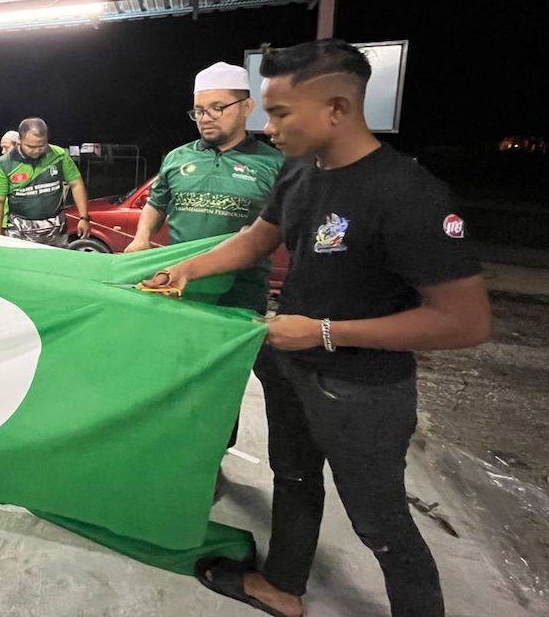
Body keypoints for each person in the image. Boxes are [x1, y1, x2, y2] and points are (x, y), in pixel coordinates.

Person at [144, 39, 491, 617]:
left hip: (362, 389)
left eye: (281, 113)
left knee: (378, 518)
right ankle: (284, 585)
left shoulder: (407, 193)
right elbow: (259, 238)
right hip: (294, 360)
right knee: (294, 477)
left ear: (336, 108)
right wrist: (186, 267)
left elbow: (465, 321)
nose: (270, 125)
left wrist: (324, 332)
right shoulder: (301, 172)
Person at [125, 61, 283, 314]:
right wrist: (142, 238)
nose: (205, 118)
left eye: (217, 108)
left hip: (242, 294)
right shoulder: (177, 158)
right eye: (198, 111)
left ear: (247, 107)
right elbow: (157, 204)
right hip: (179, 285)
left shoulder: (274, 163)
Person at [0, 117, 90, 246]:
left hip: (56, 231)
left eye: (41, 145)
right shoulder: (3, 164)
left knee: (55, 265)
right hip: (20, 232)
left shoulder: (59, 155)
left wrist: (84, 217)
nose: (37, 150)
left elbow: (76, 184)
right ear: (19, 140)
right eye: (31, 146)